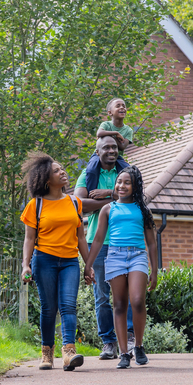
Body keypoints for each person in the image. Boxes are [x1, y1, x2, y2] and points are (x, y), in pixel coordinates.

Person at [20, 152, 95, 371]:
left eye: (62, 168)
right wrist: (26, 264)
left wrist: (88, 265)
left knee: (69, 305)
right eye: (56, 170)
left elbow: (81, 237)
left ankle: (69, 352)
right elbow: (29, 238)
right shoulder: (36, 205)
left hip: (70, 261)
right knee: (49, 308)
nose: (62, 172)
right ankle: (46, 353)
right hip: (44, 260)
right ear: (46, 179)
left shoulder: (74, 202)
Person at [83, 165, 158, 369]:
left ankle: (139, 346)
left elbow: (152, 242)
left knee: (137, 301)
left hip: (137, 256)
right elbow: (98, 239)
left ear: (135, 186)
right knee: (118, 304)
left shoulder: (143, 210)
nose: (121, 185)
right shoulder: (108, 208)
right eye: (119, 182)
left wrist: (155, 271)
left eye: (127, 182)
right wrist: (88, 264)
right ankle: (124, 353)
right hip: (115, 256)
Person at [75, 136, 133, 360]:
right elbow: (80, 204)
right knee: (101, 296)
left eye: (114, 147)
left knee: (125, 294)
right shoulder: (89, 174)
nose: (112, 150)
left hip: (123, 240)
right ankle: (108, 343)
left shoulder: (126, 172)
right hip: (96, 242)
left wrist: (106, 194)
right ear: (97, 152)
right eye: (106, 147)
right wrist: (117, 198)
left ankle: (128, 338)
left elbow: (136, 197)